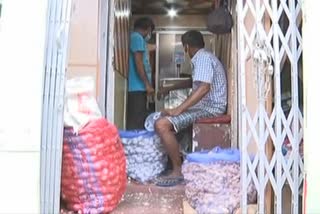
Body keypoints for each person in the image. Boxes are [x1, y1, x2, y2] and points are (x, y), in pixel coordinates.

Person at [154, 30, 227, 186]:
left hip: (210, 108)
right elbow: (194, 82)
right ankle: (180, 158)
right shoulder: (205, 57)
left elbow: (203, 88)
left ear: (186, 47)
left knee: (162, 124)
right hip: (207, 106)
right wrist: (169, 88)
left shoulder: (201, 59)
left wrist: (179, 109)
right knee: (165, 116)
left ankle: (177, 170)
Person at [127, 17, 155, 130]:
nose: (150, 34)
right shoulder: (137, 37)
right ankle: (135, 144)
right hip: (137, 87)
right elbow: (138, 63)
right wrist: (147, 85)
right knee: (137, 122)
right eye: (150, 32)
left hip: (138, 87)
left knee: (138, 119)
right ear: (148, 29)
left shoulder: (137, 39)